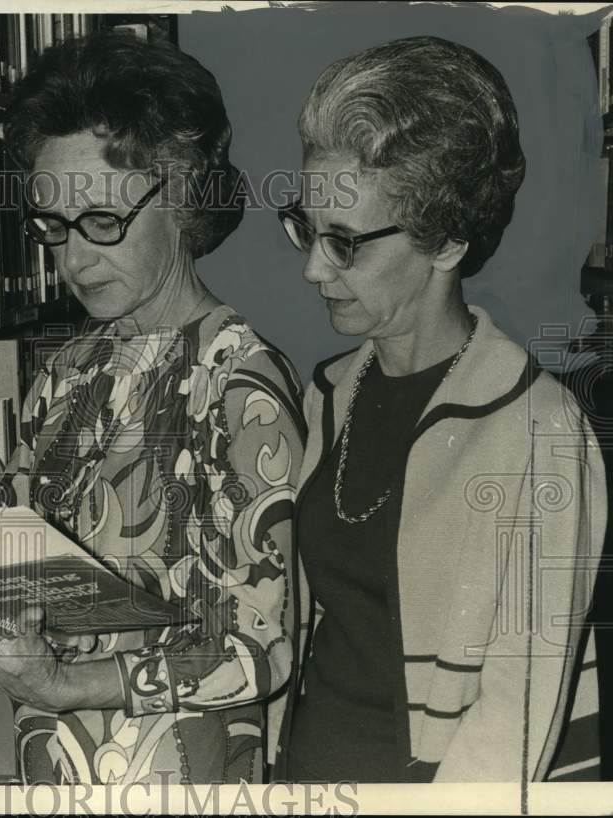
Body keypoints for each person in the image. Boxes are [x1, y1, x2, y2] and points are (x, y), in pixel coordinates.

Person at [0, 32, 306, 785]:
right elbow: (16, 570)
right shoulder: (63, 376)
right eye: (52, 227)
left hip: (183, 772)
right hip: (51, 762)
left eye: (102, 221)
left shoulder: (240, 381)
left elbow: (260, 643)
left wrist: (71, 682)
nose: (74, 258)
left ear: (183, 194)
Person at [274, 35, 606, 782]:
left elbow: (516, 724)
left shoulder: (538, 431)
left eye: (345, 244)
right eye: (304, 226)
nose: (311, 267)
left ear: (448, 239)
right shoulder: (326, 394)